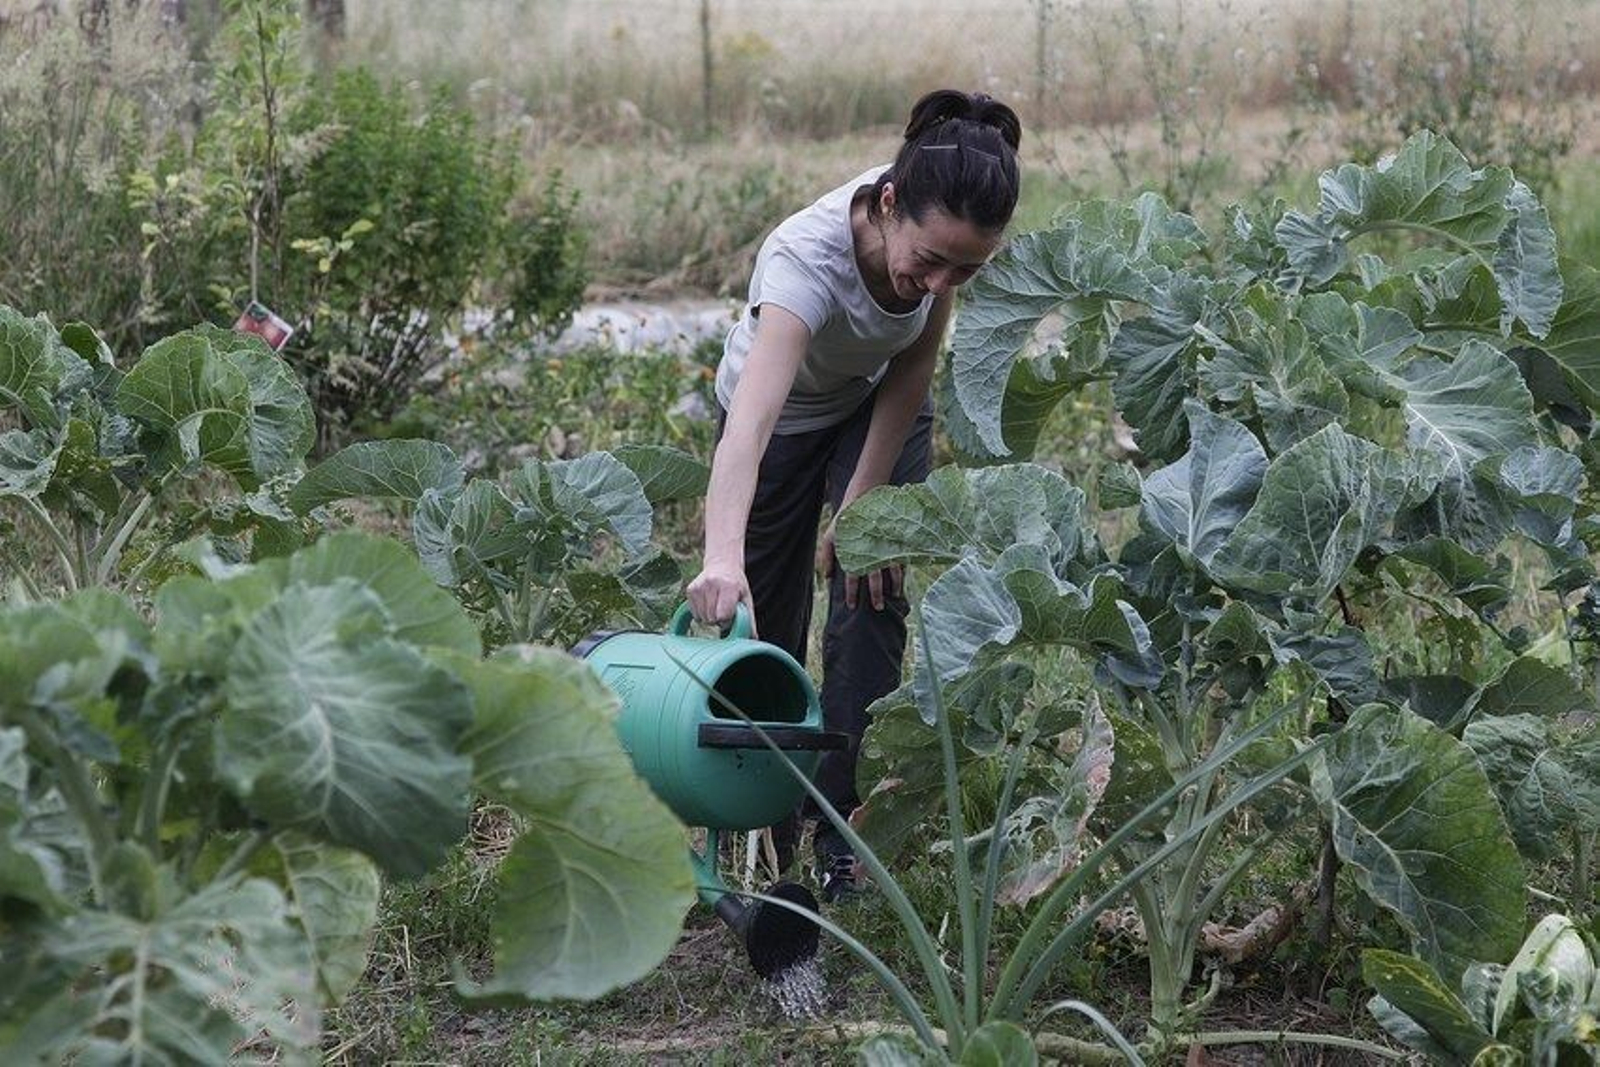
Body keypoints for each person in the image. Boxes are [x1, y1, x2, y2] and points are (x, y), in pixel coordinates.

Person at [685, 88, 1023, 902]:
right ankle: (767, 819)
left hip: (875, 405)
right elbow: (749, 427)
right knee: (760, 617)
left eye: (964, 270)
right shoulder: (806, 264)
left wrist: (862, 507)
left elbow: (912, 369)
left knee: (871, 588)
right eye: (930, 261)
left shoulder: (942, 229)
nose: (938, 282)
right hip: (782, 418)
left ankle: (845, 829)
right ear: (889, 204)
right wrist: (721, 557)